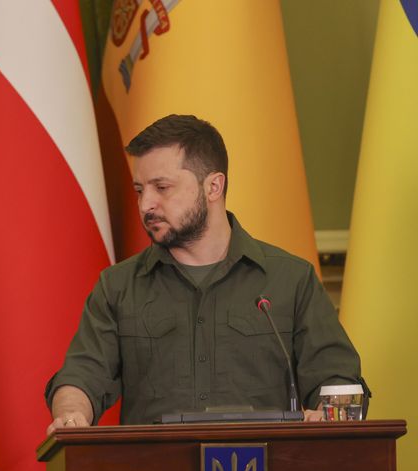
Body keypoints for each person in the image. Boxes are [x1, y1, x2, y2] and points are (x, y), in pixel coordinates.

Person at [46, 114, 361, 431]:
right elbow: (82, 375)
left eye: (162, 187)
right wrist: (71, 415)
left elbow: (336, 379)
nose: (145, 205)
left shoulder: (291, 280)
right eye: (140, 189)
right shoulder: (117, 287)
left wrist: (326, 414)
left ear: (213, 186)